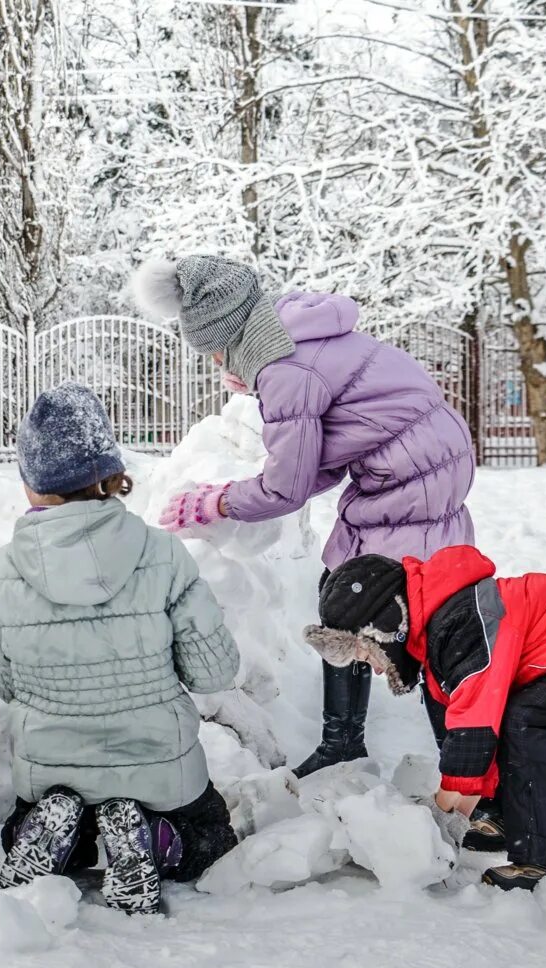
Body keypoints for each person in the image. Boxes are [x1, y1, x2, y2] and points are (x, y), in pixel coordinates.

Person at [132, 256, 476, 777]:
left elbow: (286, 488)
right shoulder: (298, 335)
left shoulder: (283, 368)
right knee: (374, 597)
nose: (217, 367)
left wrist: (215, 502)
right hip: (429, 469)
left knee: (402, 611)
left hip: (411, 481)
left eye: (213, 352)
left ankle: (454, 764)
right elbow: (322, 463)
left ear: (227, 336)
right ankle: (376, 745)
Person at [0, 383, 241, 915]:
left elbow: (4, 683)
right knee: (212, 839)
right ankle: (158, 838)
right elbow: (214, 672)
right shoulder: (163, 553)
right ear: (107, 474)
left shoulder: (1, 570)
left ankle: (61, 831)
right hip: (162, 769)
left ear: (30, 484)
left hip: (52, 767)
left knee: (16, 833)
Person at [301, 544, 546, 890]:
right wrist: (464, 808)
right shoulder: (444, 627)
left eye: (369, 655)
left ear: (387, 625)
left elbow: (475, 727)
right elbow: (475, 730)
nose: (377, 670)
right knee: (516, 719)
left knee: (531, 723)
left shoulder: (461, 625)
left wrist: (439, 815)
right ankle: (515, 824)